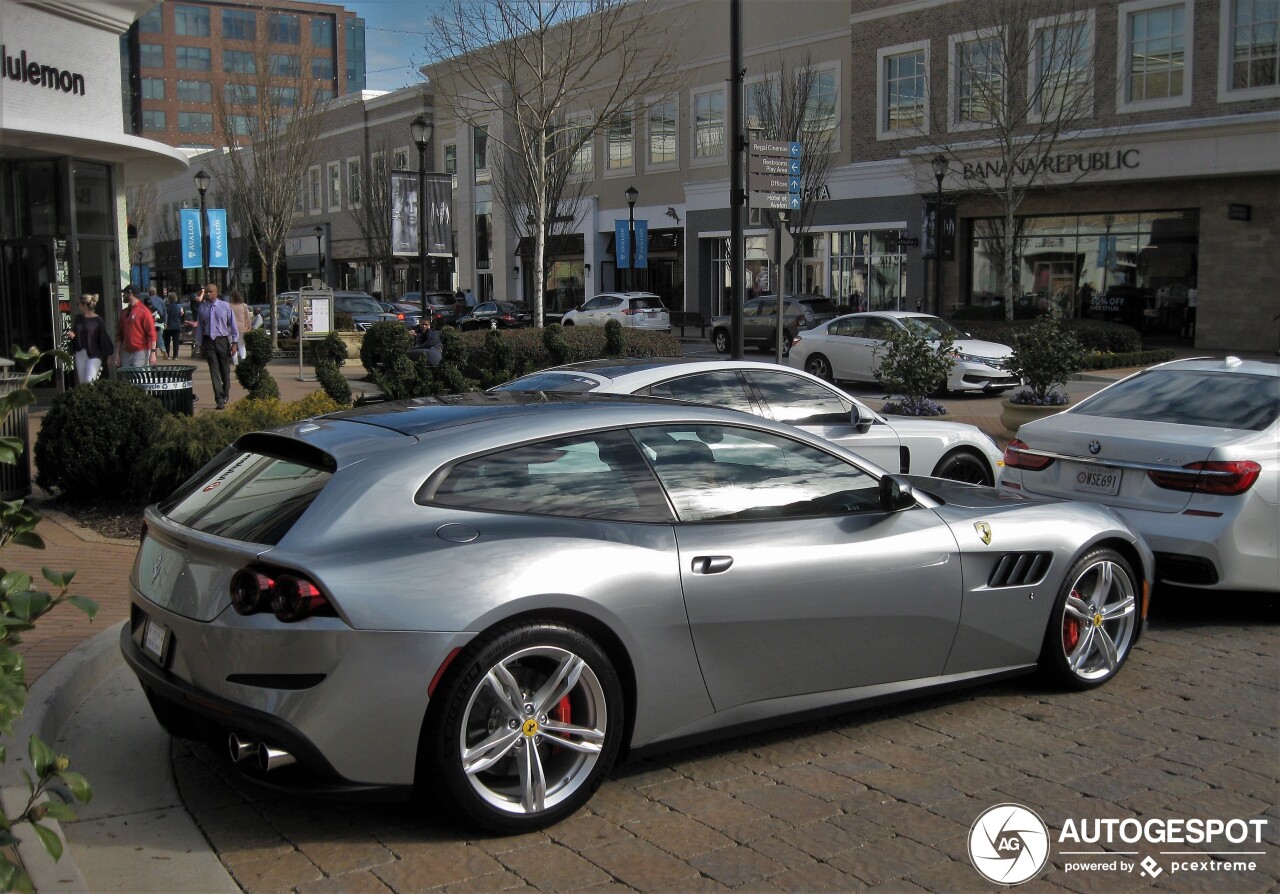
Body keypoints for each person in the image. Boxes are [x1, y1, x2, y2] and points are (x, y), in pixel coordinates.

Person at [194, 283, 239, 409]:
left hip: (222, 340)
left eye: (210, 292)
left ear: (216, 293)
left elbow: (233, 325)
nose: (208, 294)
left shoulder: (225, 306)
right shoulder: (202, 308)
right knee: (214, 371)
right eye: (206, 292)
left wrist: (235, 342)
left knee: (225, 370)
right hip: (209, 341)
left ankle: (225, 392)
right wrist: (199, 344)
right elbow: (200, 327)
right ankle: (219, 399)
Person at [68, 293, 114, 384]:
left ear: (84, 305)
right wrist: (72, 334)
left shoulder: (98, 320)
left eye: (78, 304)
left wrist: (109, 356)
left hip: (94, 354)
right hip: (80, 353)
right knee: (83, 383)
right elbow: (75, 331)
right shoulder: (78, 318)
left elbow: (103, 337)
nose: (78, 306)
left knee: (89, 380)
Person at [116, 284, 157, 368]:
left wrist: (153, 353)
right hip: (126, 351)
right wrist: (116, 353)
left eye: (125, 293)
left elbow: (152, 333)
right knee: (126, 377)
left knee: (139, 377)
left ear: (130, 294)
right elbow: (119, 335)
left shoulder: (144, 311)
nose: (123, 296)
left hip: (141, 350)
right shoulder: (124, 312)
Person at [228, 291, 253, 364]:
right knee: (242, 345)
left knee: (232, 345)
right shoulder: (244, 306)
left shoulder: (229, 306)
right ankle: (243, 359)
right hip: (242, 327)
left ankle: (235, 362)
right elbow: (247, 318)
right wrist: (249, 327)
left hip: (231, 328)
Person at [162, 291, 186, 359]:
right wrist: (181, 322)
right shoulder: (179, 307)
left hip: (168, 326)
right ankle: (175, 356)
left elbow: (164, 315)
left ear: (169, 299)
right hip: (177, 326)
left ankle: (167, 354)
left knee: (167, 341)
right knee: (176, 341)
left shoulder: (166, 307)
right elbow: (183, 314)